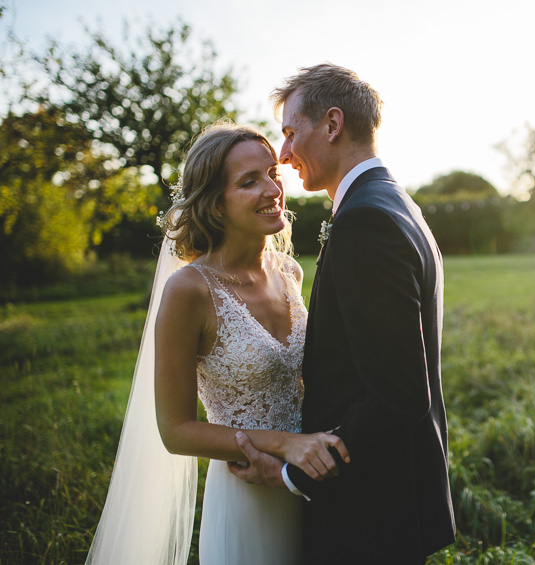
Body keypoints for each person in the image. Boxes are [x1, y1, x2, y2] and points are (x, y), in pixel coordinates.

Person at [85, 123, 348, 565]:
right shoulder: (189, 290)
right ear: (215, 204)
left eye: (272, 174)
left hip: (304, 482)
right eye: (249, 182)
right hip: (246, 495)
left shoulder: (288, 272)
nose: (272, 189)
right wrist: (284, 444)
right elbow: (175, 431)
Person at [229, 63, 456, 564]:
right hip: (393, 497)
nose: (283, 155)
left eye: (291, 133)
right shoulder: (394, 202)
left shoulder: (365, 221)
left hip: (369, 509)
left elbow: (398, 395)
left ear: (332, 125)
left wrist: (292, 472)